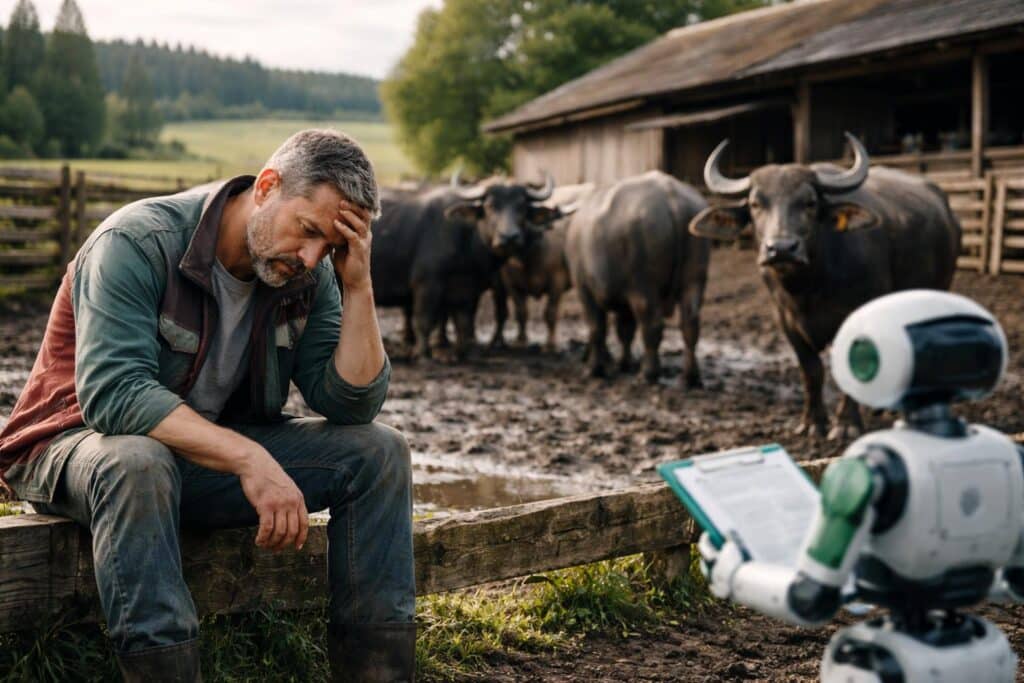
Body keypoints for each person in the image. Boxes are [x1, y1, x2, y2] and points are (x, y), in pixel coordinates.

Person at [0, 129, 415, 682]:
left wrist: (358, 285)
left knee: (380, 451)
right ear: (266, 187)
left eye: (330, 247)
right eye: (309, 230)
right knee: (138, 461)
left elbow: (351, 404)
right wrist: (249, 459)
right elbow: (114, 394)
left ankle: (379, 673)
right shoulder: (137, 240)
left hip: (196, 461)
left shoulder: (311, 273)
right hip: (73, 446)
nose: (312, 257)